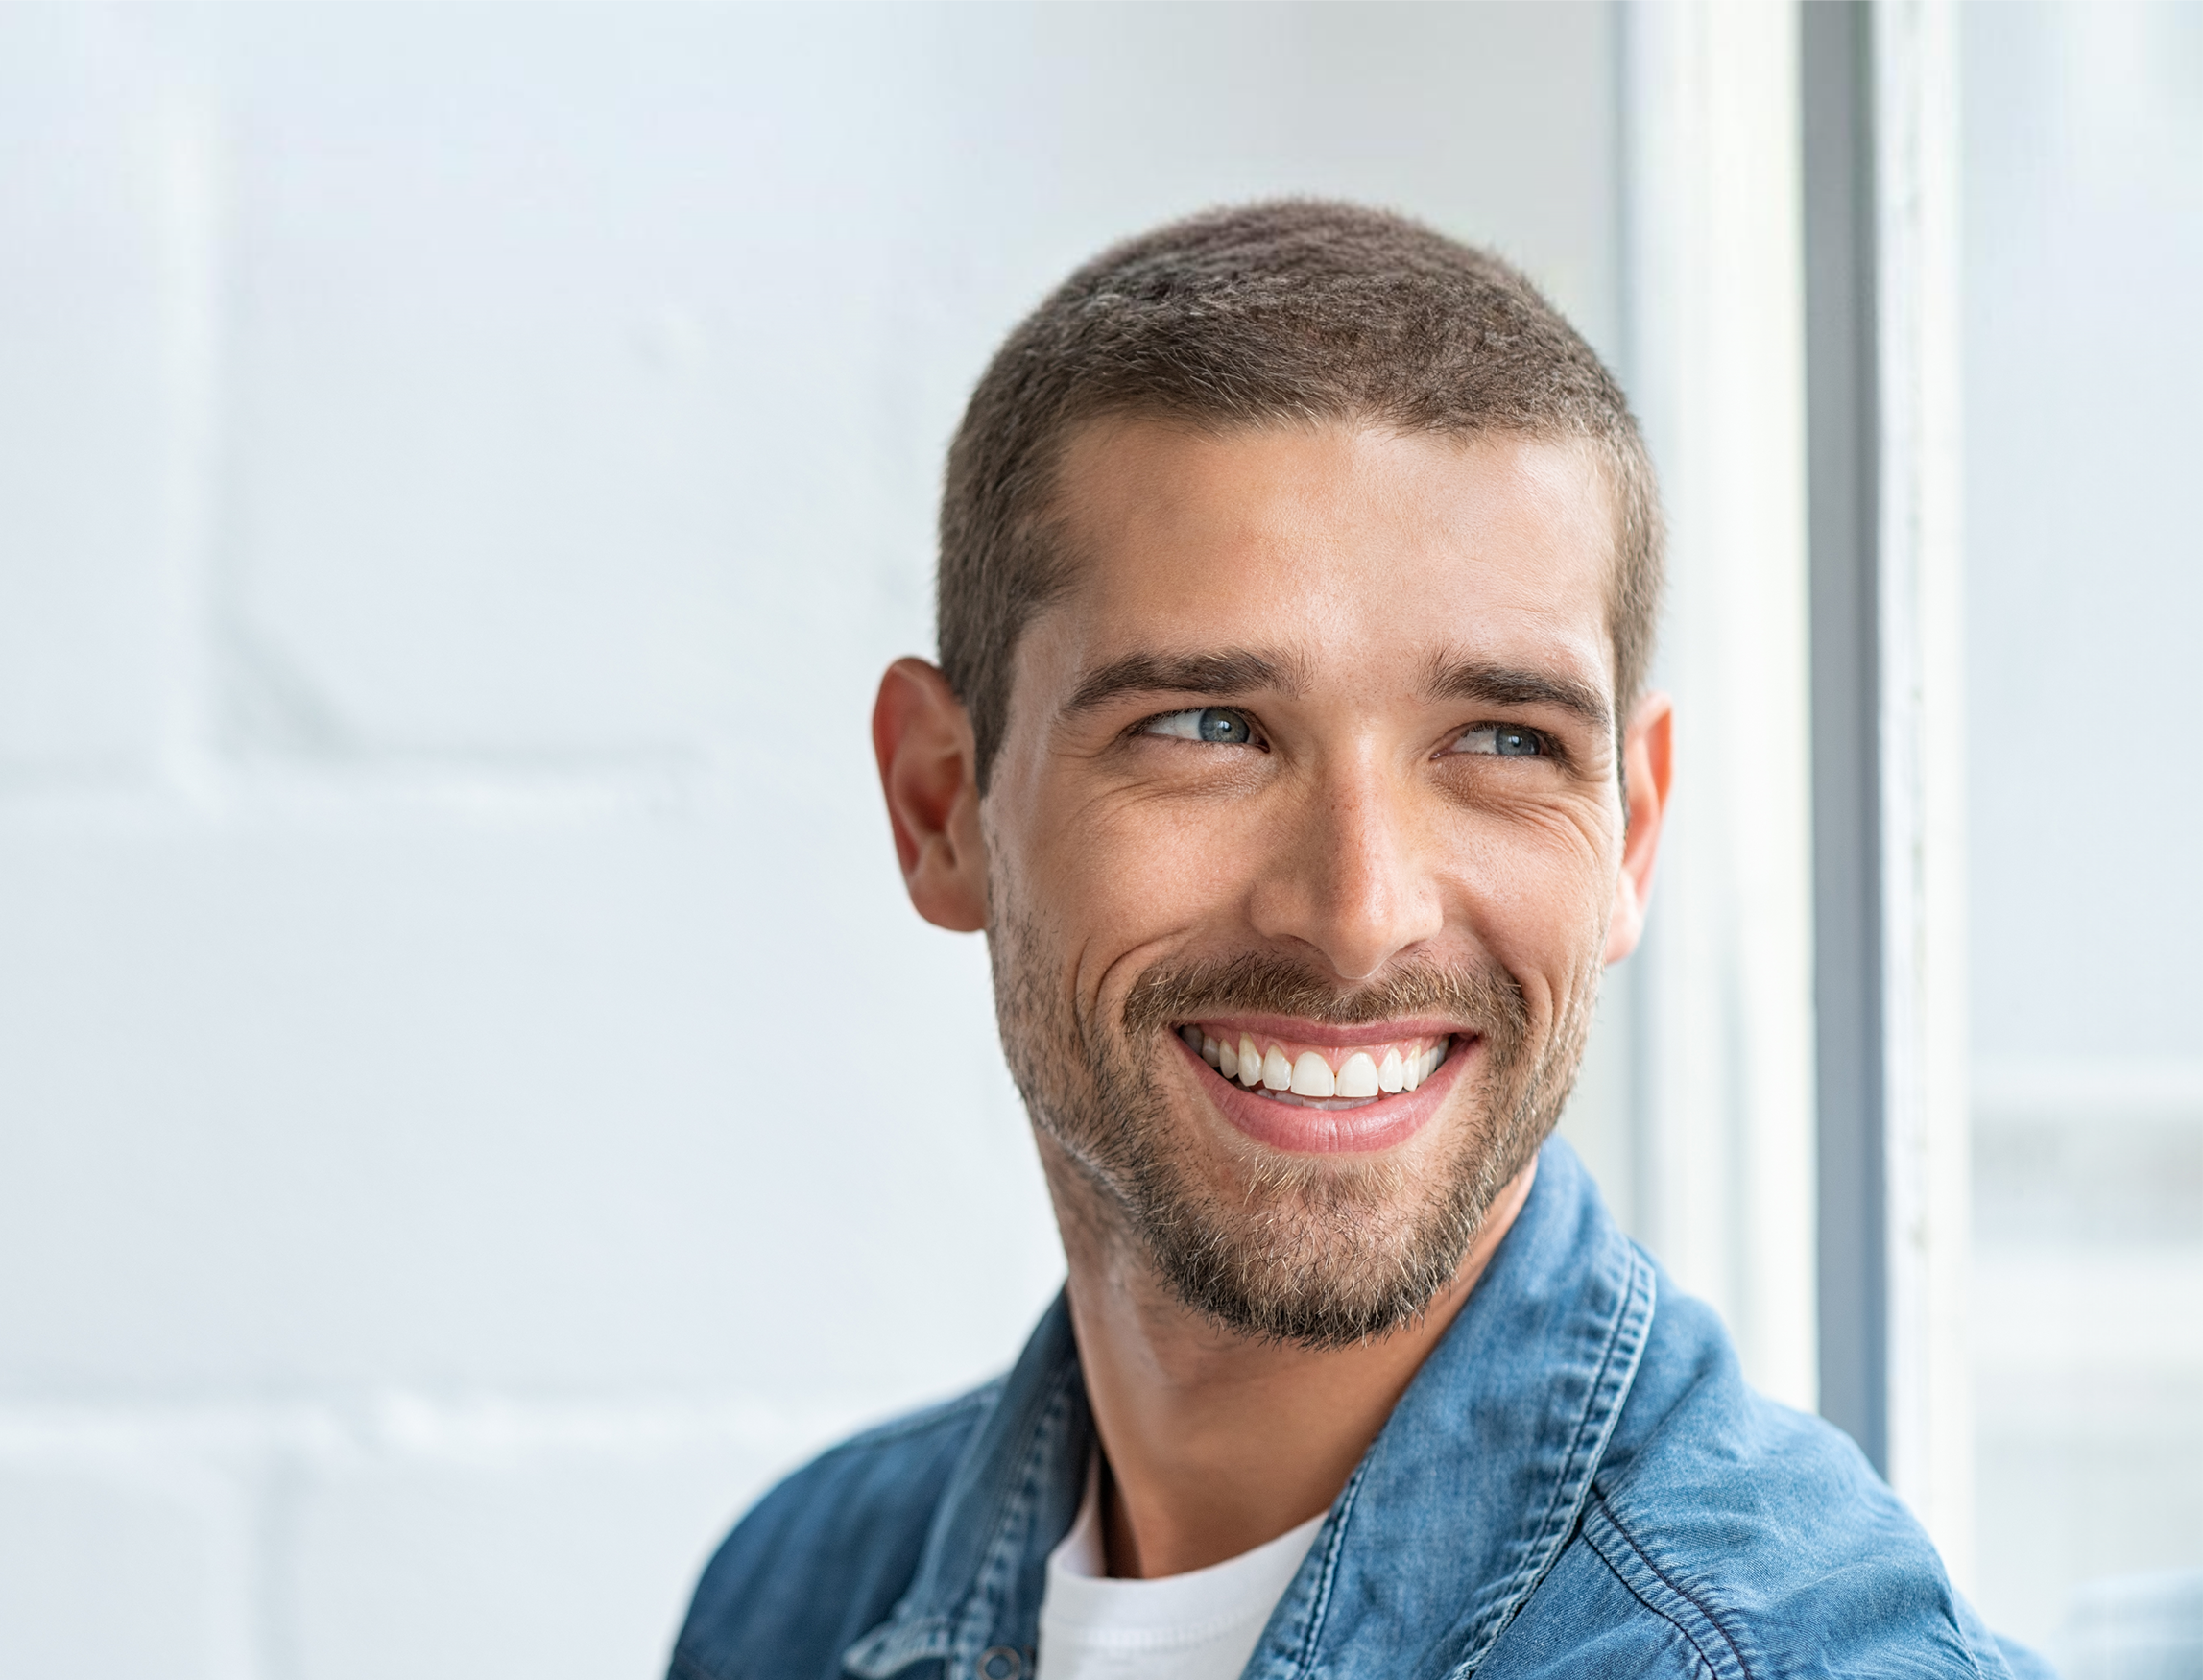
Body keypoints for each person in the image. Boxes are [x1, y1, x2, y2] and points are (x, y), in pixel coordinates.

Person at [668, 202, 2042, 1680]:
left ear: (1631, 832)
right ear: (943, 804)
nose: (1358, 911)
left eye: (1505, 739)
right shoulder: (797, 1593)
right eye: (1208, 728)